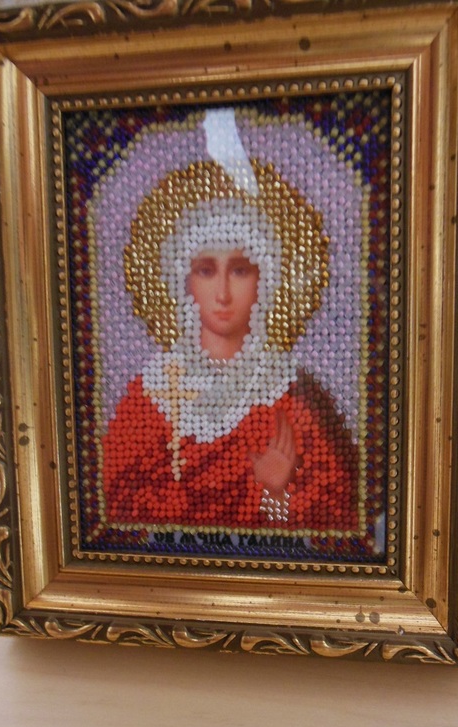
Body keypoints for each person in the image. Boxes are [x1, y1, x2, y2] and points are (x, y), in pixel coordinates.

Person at [101, 157, 359, 535]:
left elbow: (337, 523)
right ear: (183, 281)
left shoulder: (296, 401)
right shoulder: (149, 398)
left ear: (266, 281)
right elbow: (114, 517)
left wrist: (276, 493)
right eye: (206, 271)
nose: (222, 293)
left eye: (240, 270)